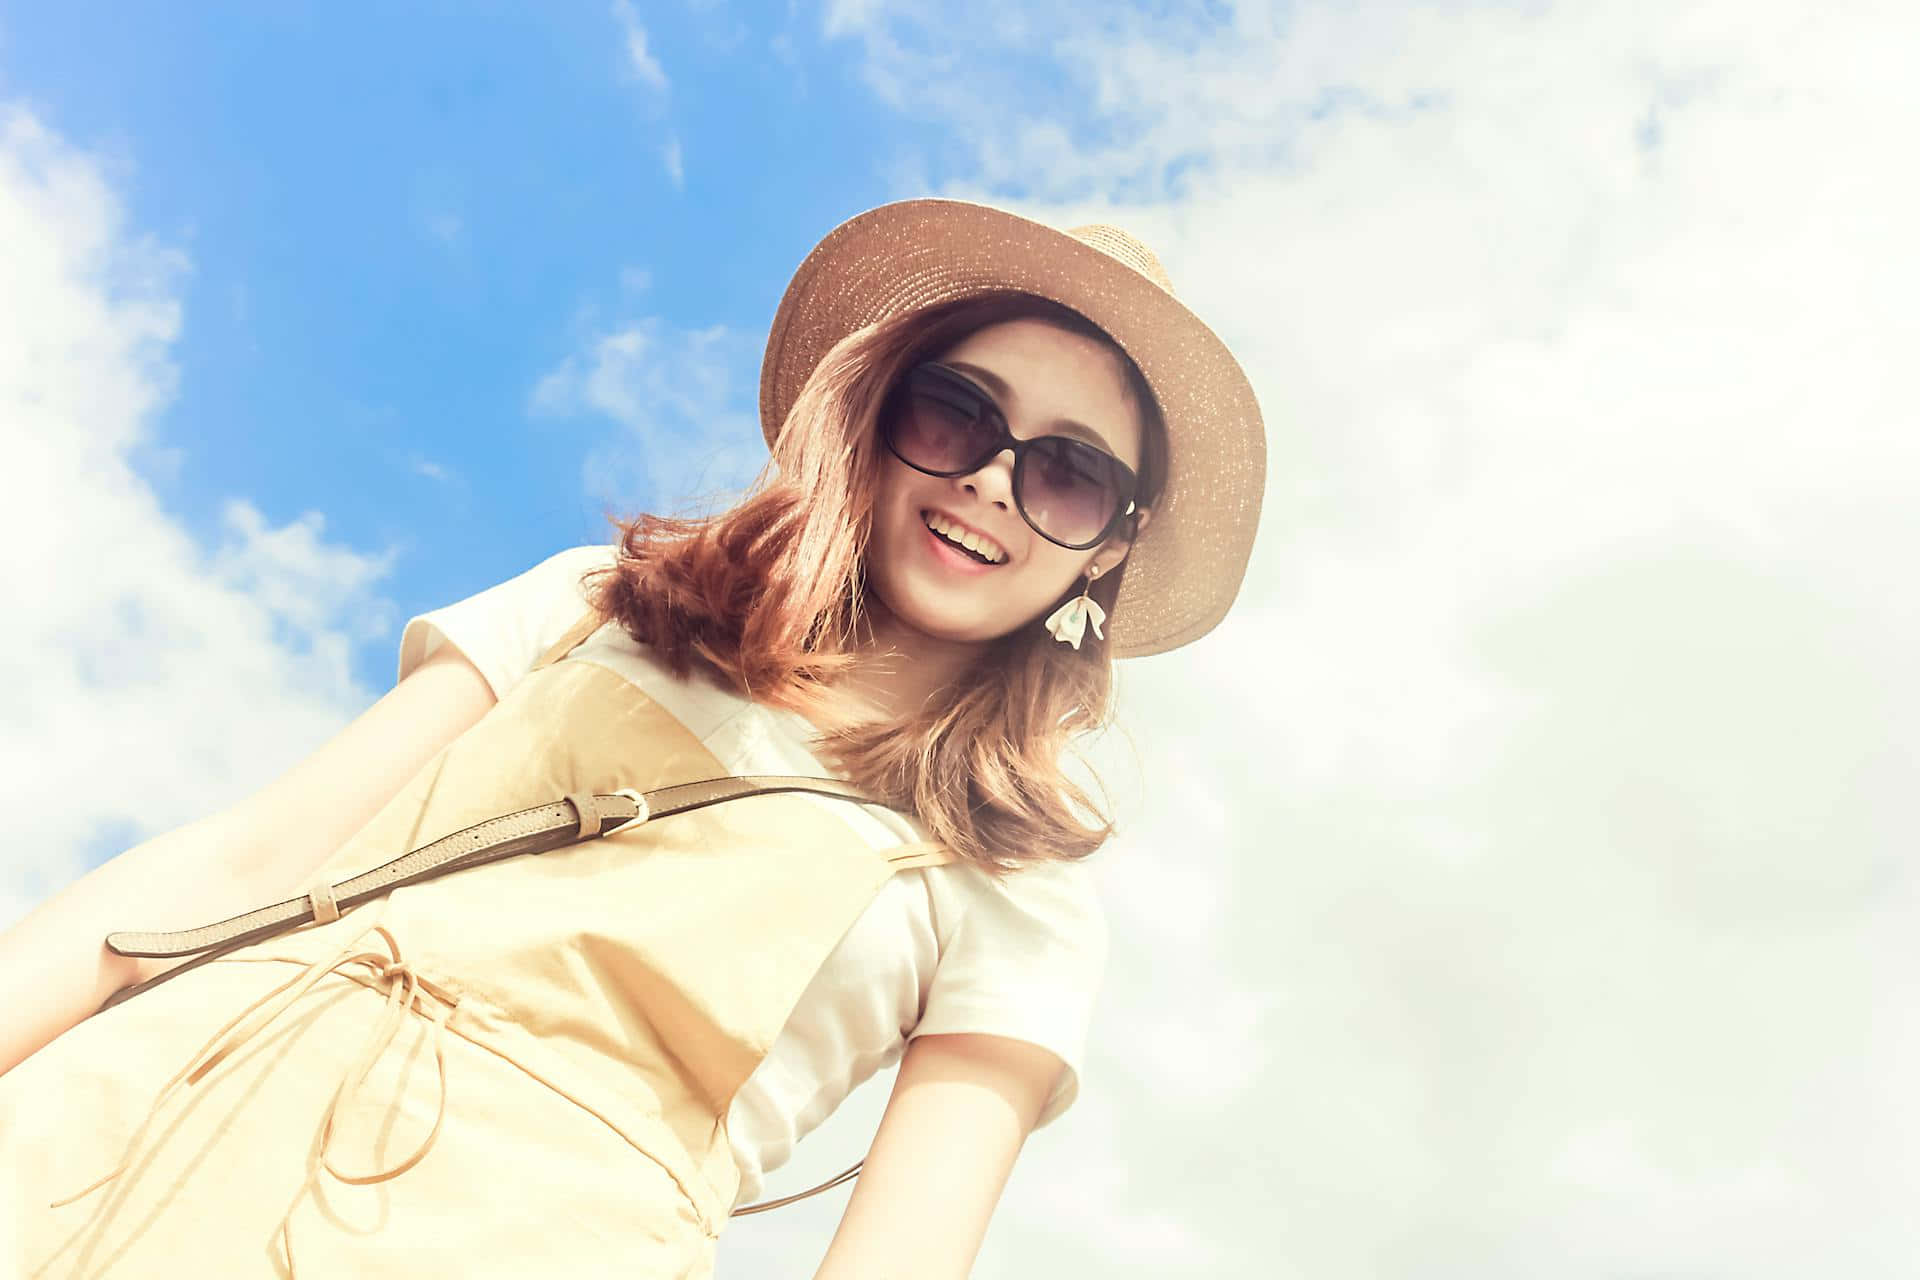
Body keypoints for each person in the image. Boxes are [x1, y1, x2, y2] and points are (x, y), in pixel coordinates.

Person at [0, 198, 1265, 1278]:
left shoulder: (1017, 887)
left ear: (1107, 546)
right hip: (120, 1128)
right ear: (877, 421)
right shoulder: (598, 601)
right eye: (955, 414)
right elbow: (233, 867)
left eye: (1069, 473)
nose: (993, 479)